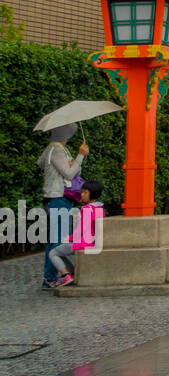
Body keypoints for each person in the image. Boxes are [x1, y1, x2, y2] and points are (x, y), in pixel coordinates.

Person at [39, 124, 87, 291]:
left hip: (51, 198)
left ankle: (50, 276)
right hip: (58, 198)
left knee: (54, 239)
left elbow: (40, 163)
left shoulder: (50, 149)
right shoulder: (58, 149)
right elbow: (69, 173)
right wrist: (80, 156)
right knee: (58, 239)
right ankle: (56, 275)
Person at [46, 179, 105, 287]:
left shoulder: (87, 209)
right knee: (60, 251)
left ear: (93, 194)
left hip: (84, 243)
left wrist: (69, 238)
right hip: (94, 242)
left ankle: (66, 275)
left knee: (53, 253)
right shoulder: (99, 208)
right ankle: (73, 273)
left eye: (85, 192)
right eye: (82, 192)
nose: (82, 195)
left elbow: (82, 229)